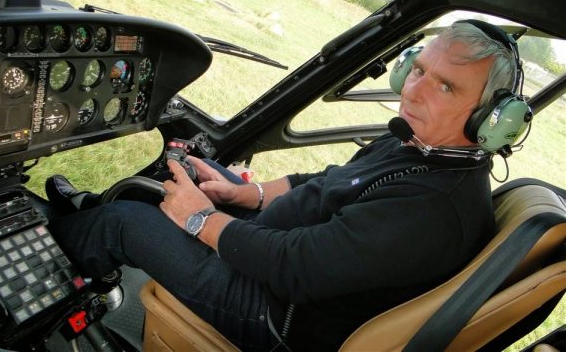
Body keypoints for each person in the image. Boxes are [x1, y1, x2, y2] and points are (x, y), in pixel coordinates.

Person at [46, 20, 519, 351]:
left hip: (274, 312)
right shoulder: (419, 144)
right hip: (274, 255)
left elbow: (294, 268)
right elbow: (329, 182)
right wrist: (247, 194)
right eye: (418, 71)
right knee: (191, 171)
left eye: (446, 87)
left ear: (490, 118)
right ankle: (86, 216)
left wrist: (201, 220)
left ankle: (38, 275)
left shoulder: (433, 208)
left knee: (122, 223)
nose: (414, 91)